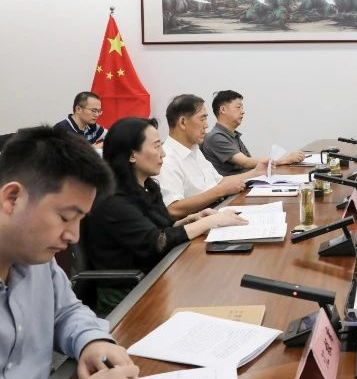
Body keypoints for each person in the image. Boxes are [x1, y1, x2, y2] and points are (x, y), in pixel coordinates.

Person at [0, 126, 139, 379]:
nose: (73, 236)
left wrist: (92, 342)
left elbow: (65, 311)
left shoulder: (37, 258)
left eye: (79, 220)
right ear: (12, 198)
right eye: (65, 217)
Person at [85, 118, 248, 315]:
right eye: (156, 146)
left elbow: (161, 228)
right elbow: (158, 241)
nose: (163, 153)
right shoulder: (113, 201)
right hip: (129, 291)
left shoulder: (147, 186)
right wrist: (209, 221)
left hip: (157, 273)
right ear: (132, 155)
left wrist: (191, 219)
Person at [155, 94, 267, 219]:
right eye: (202, 119)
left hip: (219, 210)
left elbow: (220, 181)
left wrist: (256, 173)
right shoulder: (166, 159)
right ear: (183, 122)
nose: (206, 125)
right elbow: (173, 209)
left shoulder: (194, 149)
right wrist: (221, 191)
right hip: (201, 222)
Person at [201, 90, 304, 176]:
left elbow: (250, 163)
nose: (242, 111)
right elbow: (246, 162)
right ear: (223, 110)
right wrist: (285, 160)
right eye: (238, 107)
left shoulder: (232, 135)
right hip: (233, 191)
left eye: (242, 108)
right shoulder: (216, 137)